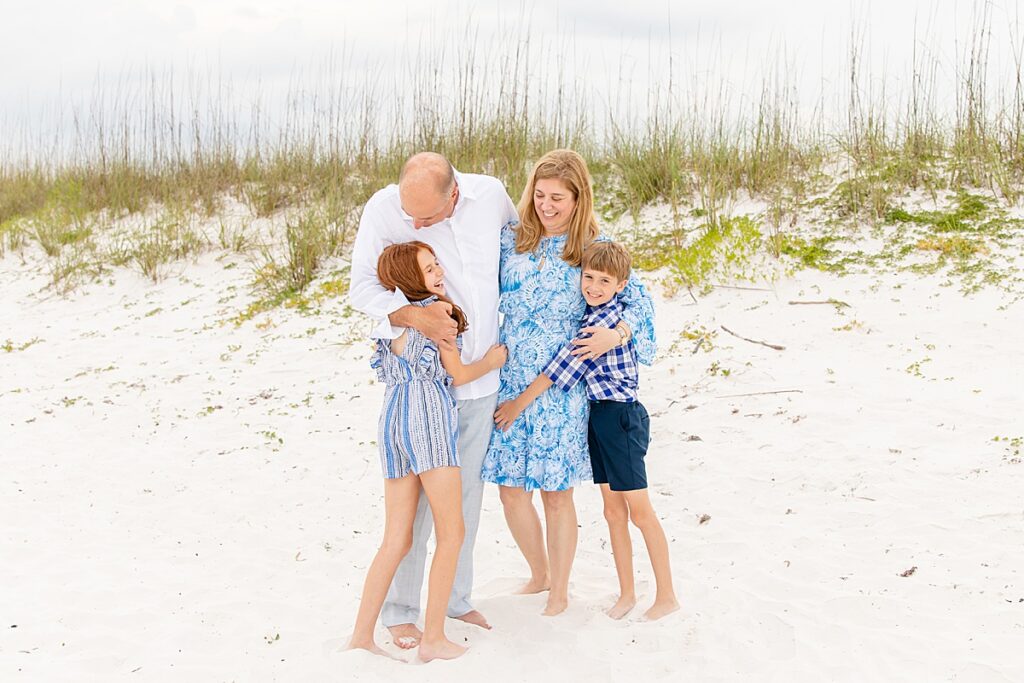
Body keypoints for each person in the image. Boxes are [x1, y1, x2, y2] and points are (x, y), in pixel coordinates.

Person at [348, 152, 518, 648]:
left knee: (464, 502)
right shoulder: (384, 208)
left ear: (455, 193)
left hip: (479, 386)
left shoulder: (491, 195)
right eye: (409, 214)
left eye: (425, 217)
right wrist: (413, 317)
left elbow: (522, 246)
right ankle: (402, 611)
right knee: (419, 511)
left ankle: (455, 601)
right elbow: (362, 288)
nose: (415, 223)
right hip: (427, 387)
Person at [481, 149, 657, 616]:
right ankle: (538, 573)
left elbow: (640, 306)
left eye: (557, 197)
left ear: (579, 198)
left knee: (556, 491)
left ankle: (559, 589)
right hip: (510, 377)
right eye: (539, 195)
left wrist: (612, 334)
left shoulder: (595, 246)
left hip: (561, 384)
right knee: (510, 488)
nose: (546, 205)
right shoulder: (510, 240)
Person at [494, 241, 679, 621]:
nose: (593, 286)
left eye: (604, 280)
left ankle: (667, 595)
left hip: (620, 419)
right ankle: (627, 593)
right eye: (588, 277)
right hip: (598, 417)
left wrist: (517, 404)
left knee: (640, 512)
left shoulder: (600, 323)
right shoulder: (601, 310)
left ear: (620, 284)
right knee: (613, 512)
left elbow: (560, 370)